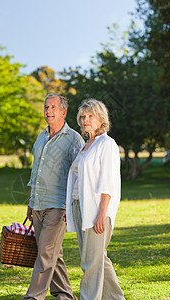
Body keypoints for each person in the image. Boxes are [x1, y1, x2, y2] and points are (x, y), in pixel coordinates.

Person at [22, 93, 84, 300]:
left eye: (52, 107)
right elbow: (35, 172)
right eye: (46, 107)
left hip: (59, 206)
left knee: (46, 253)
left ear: (63, 112)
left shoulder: (74, 139)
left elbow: (78, 175)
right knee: (52, 253)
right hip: (38, 203)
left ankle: (34, 296)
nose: (48, 111)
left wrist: (72, 206)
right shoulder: (41, 137)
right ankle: (65, 294)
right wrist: (31, 203)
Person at [66, 99, 125, 300]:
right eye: (82, 117)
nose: (85, 120)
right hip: (79, 206)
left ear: (101, 119)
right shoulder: (86, 145)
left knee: (90, 262)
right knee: (97, 258)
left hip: (96, 210)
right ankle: (116, 298)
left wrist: (101, 214)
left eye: (90, 116)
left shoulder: (107, 144)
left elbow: (107, 182)